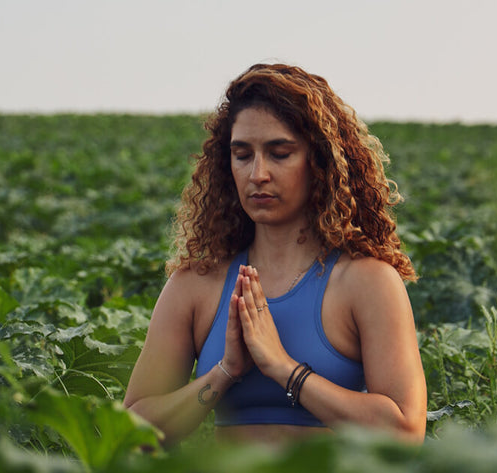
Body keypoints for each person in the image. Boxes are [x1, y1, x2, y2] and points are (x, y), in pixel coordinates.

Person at [123, 63, 427, 447]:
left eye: (280, 153)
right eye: (242, 155)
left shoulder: (367, 281)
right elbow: (132, 432)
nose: (258, 173)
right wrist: (225, 372)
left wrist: (285, 370)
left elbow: (404, 432)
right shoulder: (195, 284)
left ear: (319, 163)